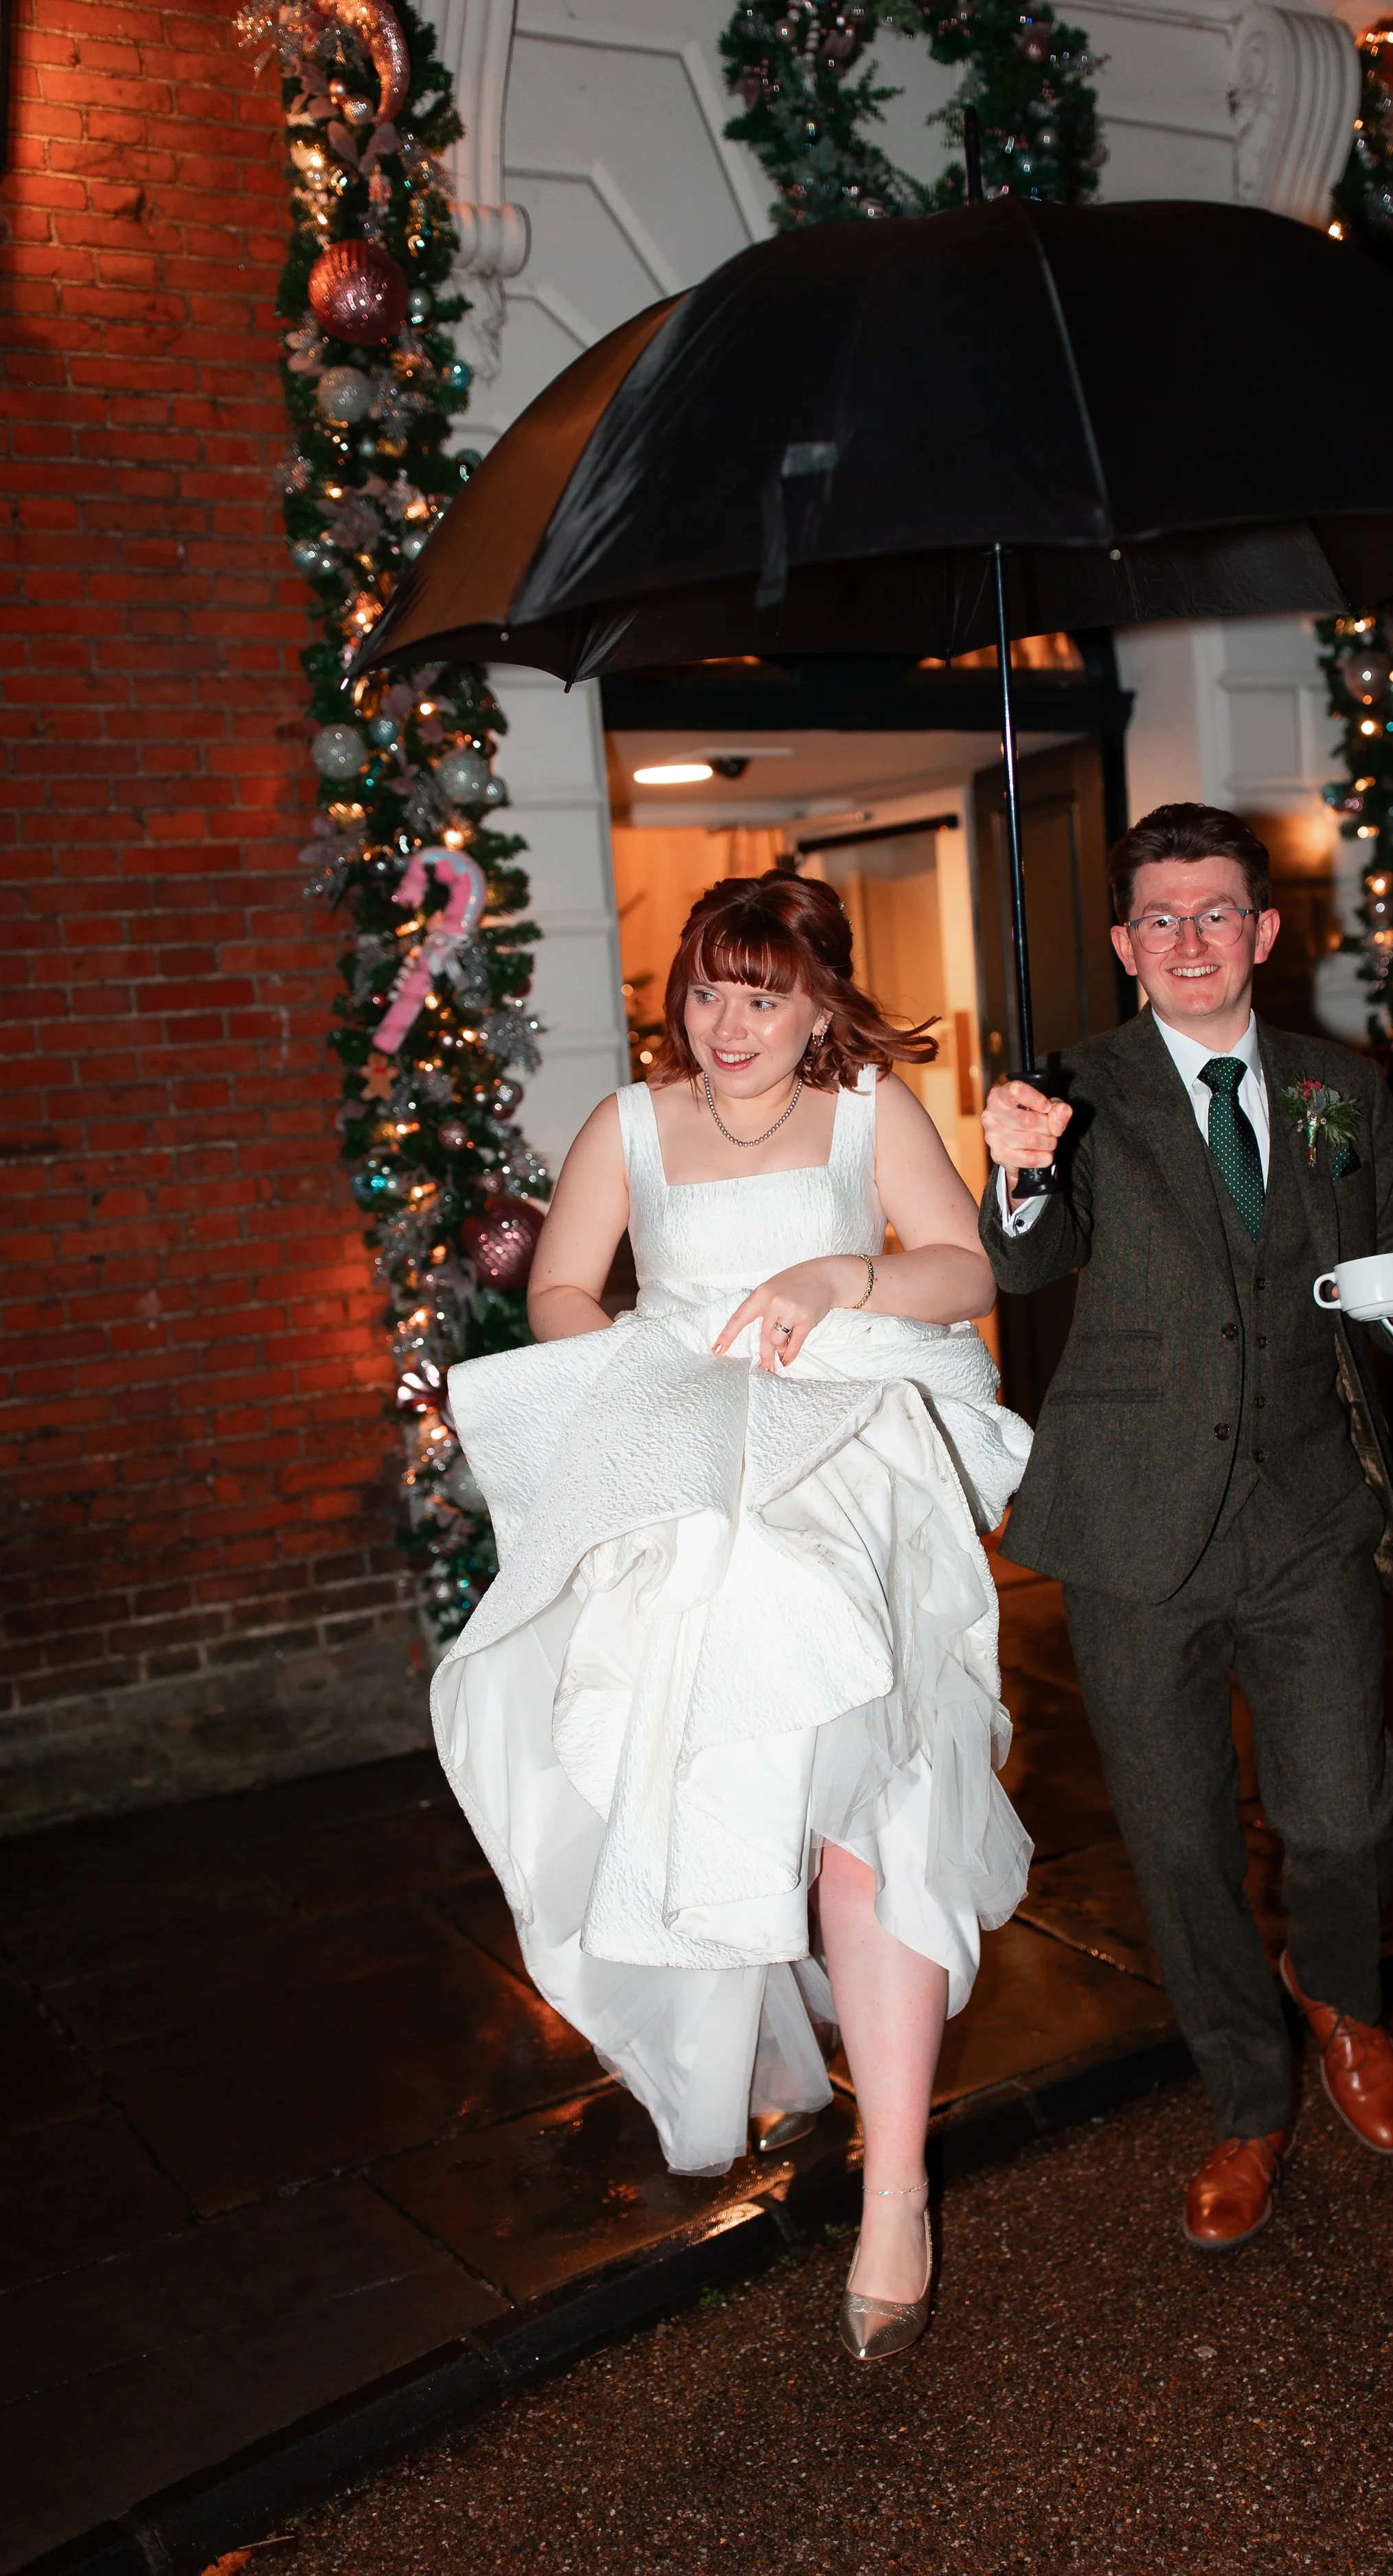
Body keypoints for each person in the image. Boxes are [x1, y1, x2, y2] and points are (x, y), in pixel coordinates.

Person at [433, 867, 1031, 2360]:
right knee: (717, 1798)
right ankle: (774, 2044)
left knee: (871, 1810)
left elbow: (961, 1266)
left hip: (848, 1458)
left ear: (817, 999)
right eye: (706, 991)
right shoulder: (625, 1125)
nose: (727, 1025)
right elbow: (561, 1293)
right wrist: (658, 1356)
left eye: (760, 997)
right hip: (692, 1471)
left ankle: (896, 2190)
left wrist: (840, 1275)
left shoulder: (868, 1116)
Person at [979, 802, 1393, 2251]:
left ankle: (1334, 1989)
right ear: (1124, 946)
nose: (1190, 940)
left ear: (1263, 930)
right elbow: (1025, 1259)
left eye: (1216, 913)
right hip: (1135, 1525)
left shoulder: (1337, 1083)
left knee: (1342, 1808)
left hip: (1306, 1506)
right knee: (1177, 1842)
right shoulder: (1070, 1093)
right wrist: (1017, 1164)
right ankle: (1246, 2103)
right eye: (1160, 918)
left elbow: (1372, 1279)